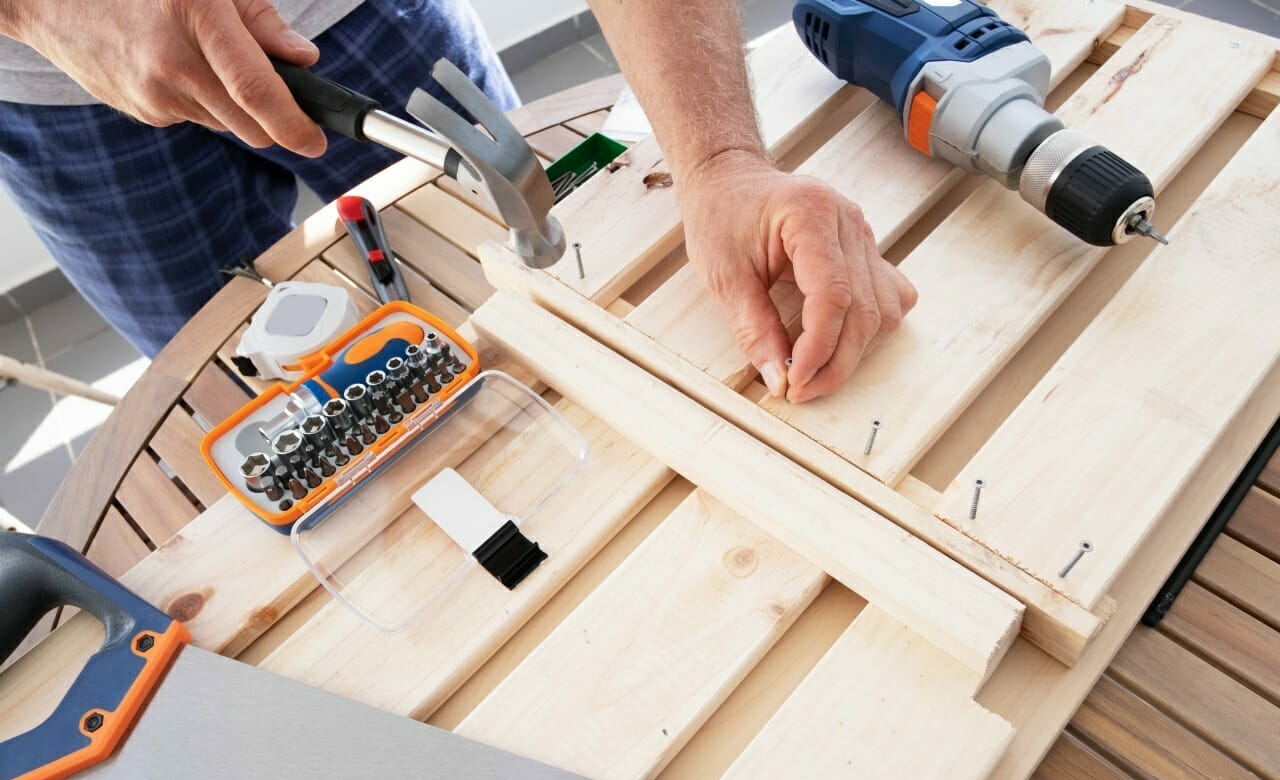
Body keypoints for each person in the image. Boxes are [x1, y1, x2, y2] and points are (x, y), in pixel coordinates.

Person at [0, 0, 915, 403]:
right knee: (234, 371)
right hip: (58, 88)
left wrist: (720, 159)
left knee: (503, 245)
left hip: (352, 13)